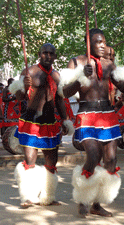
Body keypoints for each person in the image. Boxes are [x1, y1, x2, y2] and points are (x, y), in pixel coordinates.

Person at [60, 28, 124, 218]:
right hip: (87, 114)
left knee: (111, 159)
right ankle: (82, 198)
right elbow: (65, 92)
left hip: (108, 114)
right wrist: (81, 75)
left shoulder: (109, 65)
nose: (103, 45)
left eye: (104, 42)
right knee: (92, 155)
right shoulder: (76, 62)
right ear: (88, 43)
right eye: (98, 42)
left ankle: (96, 204)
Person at [9, 43, 73, 209]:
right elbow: (20, 97)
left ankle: (48, 196)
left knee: (52, 161)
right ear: (39, 54)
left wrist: (65, 120)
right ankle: (28, 197)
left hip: (50, 121)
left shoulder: (57, 76)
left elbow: (59, 99)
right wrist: (24, 85)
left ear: (55, 56)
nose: (48, 56)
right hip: (31, 121)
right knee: (30, 160)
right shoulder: (29, 72)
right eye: (45, 53)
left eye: (51, 53)